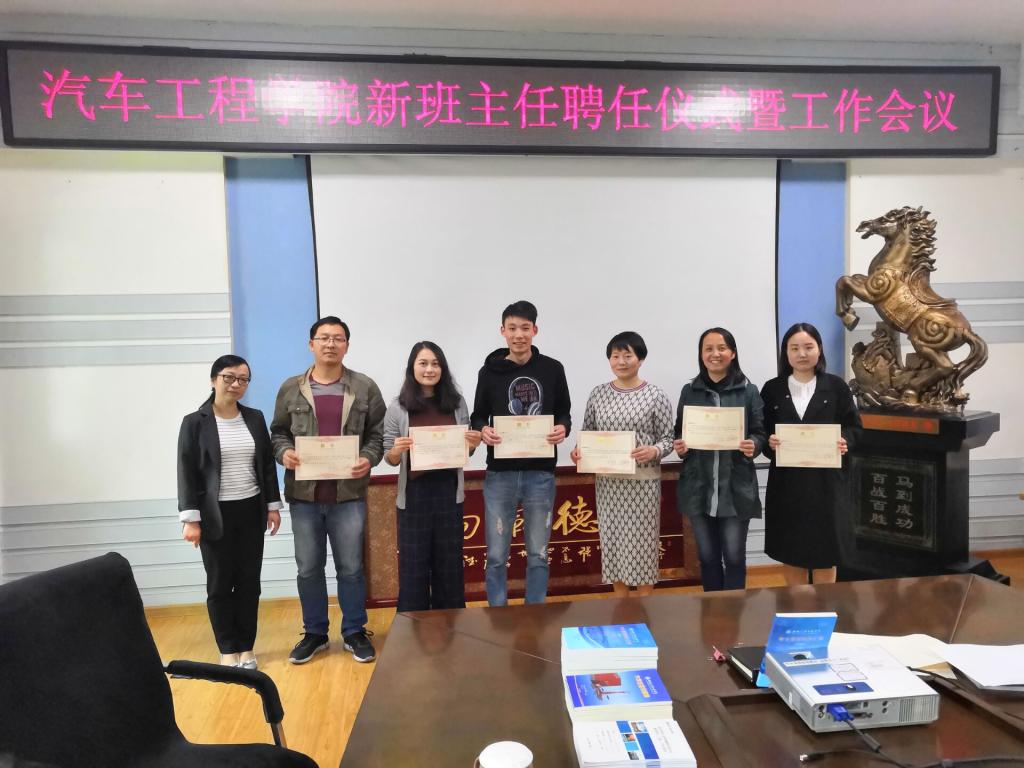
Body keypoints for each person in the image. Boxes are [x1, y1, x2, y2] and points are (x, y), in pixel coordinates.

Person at [271, 316, 386, 664]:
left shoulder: (364, 387)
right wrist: (284, 453)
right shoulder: (291, 388)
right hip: (304, 496)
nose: (331, 344)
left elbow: (377, 435)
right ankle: (315, 633)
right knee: (308, 568)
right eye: (324, 338)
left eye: (338, 338)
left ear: (347, 345)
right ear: (311, 344)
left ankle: (354, 631)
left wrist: (368, 458)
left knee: (350, 568)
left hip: (348, 496)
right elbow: (278, 433)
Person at [176, 354, 282, 669]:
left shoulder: (254, 418)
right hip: (214, 514)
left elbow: (266, 465)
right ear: (214, 380)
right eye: (229, 377)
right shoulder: (195, 422)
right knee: (220, 584)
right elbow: (186, 472)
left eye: (243, 379)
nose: (236, 384)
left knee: (249, 582)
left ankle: (246, 648)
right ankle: (227, 648)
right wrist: (191, 519)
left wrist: (272, 506)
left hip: (251, 510)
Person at [470, 300, 572, 606]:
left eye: (525, 328)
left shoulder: (552, 369)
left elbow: (564, 413)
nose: (519, 335)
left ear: (535, 330)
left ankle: (535, 611)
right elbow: (478, 416)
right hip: (499, 475)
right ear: (502, 331)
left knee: (538, 552)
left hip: (540, 474)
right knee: (496, 554)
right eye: (512, 328)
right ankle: (497, 611)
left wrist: (563, 428)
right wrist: (483, 430)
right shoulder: (489, 372)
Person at [570, 331, 674, 597]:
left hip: (642, 486)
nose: (621, 361)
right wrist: (579, 452)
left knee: (642, 546)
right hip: (608, 485)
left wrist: (653, 450)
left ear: (641, 359)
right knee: (613, 544)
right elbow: (587, 434)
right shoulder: (598, 394)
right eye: (615, 356)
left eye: (628, 355)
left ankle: (645, 603)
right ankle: (621, 603)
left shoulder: (655, 395)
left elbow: (668, 439)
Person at [382, 341, 482, 611]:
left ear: (443, 368)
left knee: (449, 568)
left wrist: (473, 444)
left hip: (449, 494)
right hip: (414, 496)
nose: (429, 369)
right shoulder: (398, 407)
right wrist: (397, 450)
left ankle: (451, 628)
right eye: (423, 363)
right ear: (412, 368)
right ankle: (412, 630)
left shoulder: (456, 403)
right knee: (413, 568)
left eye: (435, 364)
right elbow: (389, 457)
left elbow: (465, 449)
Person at [760, 322, 861, 585]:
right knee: (792, 550)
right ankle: (797, 605)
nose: (802, 354)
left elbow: (855, 428)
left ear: (819, 349)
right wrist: (769, 442)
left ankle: (825, 605)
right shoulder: (772, 389)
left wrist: (845, 440)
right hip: (788, 484)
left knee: (826, 551)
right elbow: (762, 431)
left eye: (808, 347)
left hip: (827, 485)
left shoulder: (837, 387)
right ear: (786, 353)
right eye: (794, 348)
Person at [673, 327, 766, 592]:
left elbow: (760, 432)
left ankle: (734, 612)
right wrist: (680, 446)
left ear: (733, 353)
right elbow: (680, 432)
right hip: (699, 487)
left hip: (735, 488)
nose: (715, 354)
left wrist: (754, 444)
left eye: (721, 348)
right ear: (701, 355)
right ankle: (713, 611)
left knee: (734, 558)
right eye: (709, 349)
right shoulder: (689, 391)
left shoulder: (748, 391)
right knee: (707, 557)